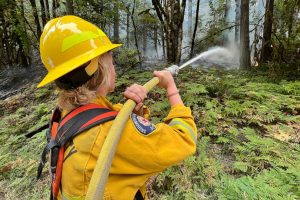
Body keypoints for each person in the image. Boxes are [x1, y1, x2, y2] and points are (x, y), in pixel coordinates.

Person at [38, 15, 197, 200]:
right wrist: (171, 89)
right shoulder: (110, 133)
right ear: (97, 67)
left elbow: (108, 124)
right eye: (110, 60)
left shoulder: (66, 114)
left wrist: (135, 111)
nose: (114, 66)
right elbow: (184, 140)